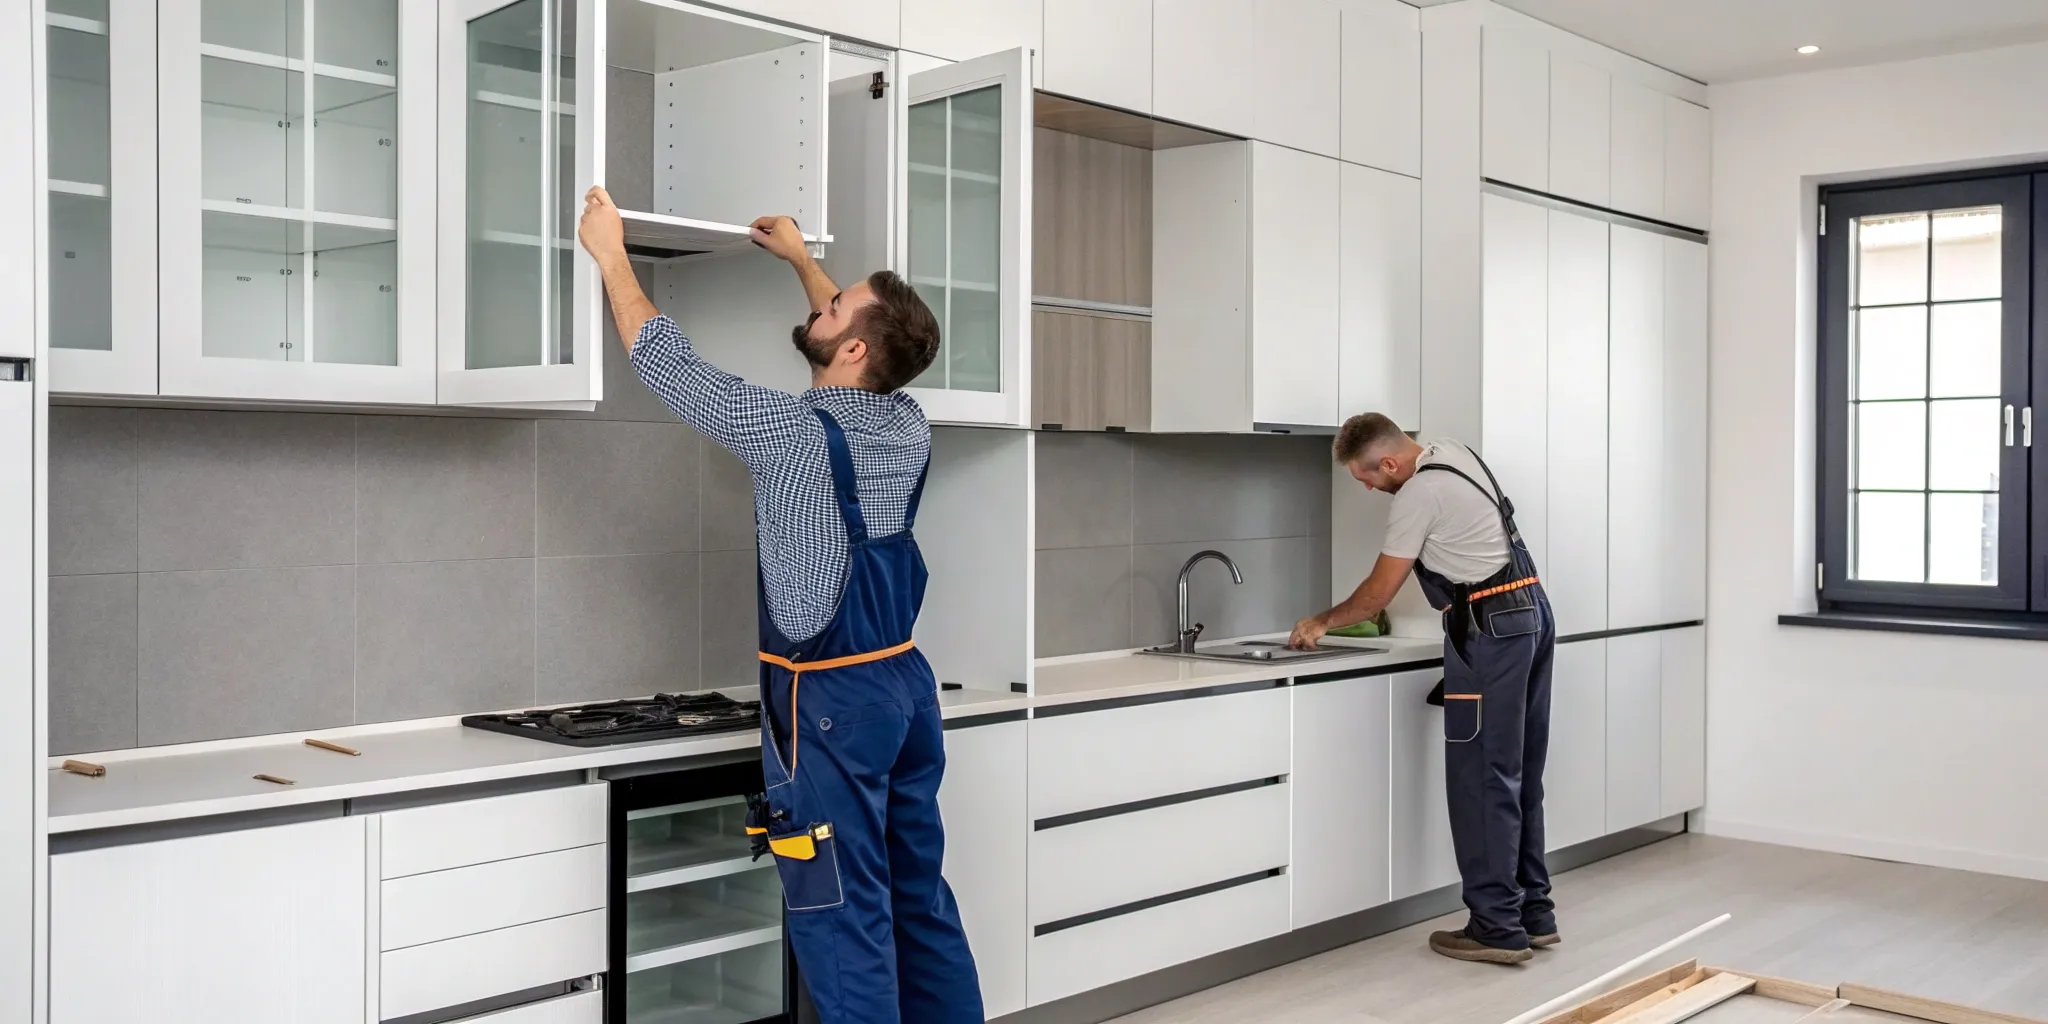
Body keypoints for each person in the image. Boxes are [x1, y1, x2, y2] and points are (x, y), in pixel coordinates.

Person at [576, 186, 984, 1021]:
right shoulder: (906, 421)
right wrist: (803, 264)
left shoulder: (789, 435)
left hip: (830, 703)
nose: (825, 304)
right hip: (905, 694)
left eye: (836, 306)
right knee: (918, 902)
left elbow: (668, 365)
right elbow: (862, 344)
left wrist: (611, 253)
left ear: (855, 346)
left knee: (845, 920)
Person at [1288, 413, 1558, 965]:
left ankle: (1496, 928)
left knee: (1483, 780)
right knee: (1516, 775)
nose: (1366, 488)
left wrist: (1320, 621)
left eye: (1366, 477)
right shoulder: (1455, 454)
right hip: (1530, 614)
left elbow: (1375, 596)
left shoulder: (1419, 493)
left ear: (1389, 462)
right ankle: (1533, 913)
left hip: (1490, 631)